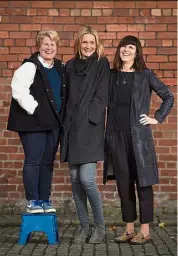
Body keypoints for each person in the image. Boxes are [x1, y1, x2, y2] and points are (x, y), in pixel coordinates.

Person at [103, 35, 174, 245]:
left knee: (143, 184)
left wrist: (156, 118)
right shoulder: (112, 75)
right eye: (123, 47)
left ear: (137, 51)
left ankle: (145, 231)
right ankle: (129, 230)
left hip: (139, 138)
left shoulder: (145, 75)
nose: (126, 50)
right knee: (124, 185)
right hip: (116, 137)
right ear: (119, 50)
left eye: (131, 47)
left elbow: (168, 96)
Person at [7, 30, 66, 214]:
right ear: (39, 46)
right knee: (34, 160)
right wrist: (36, 110)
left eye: (52, 44)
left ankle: (44, 200)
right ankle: (33, 201)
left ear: (57, 47)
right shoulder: (29, 67)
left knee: (47, 162)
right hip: (32, 122)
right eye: (45, 44)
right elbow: (18, 90)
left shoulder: (59, 67)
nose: (49, 47)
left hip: (53, 123)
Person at [60, 26, 110, 244]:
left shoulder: (102, 63)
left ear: (96, 43)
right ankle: (83, 227)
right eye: (84, 42)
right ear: (79, 43)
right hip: (70, 128)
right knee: (74, 180)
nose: (88, 46)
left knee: (86, 179)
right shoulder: (69, 65)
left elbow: (102, 95)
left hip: (90, 128)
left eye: (92, 42)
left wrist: (91, 116)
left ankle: (100, 227)